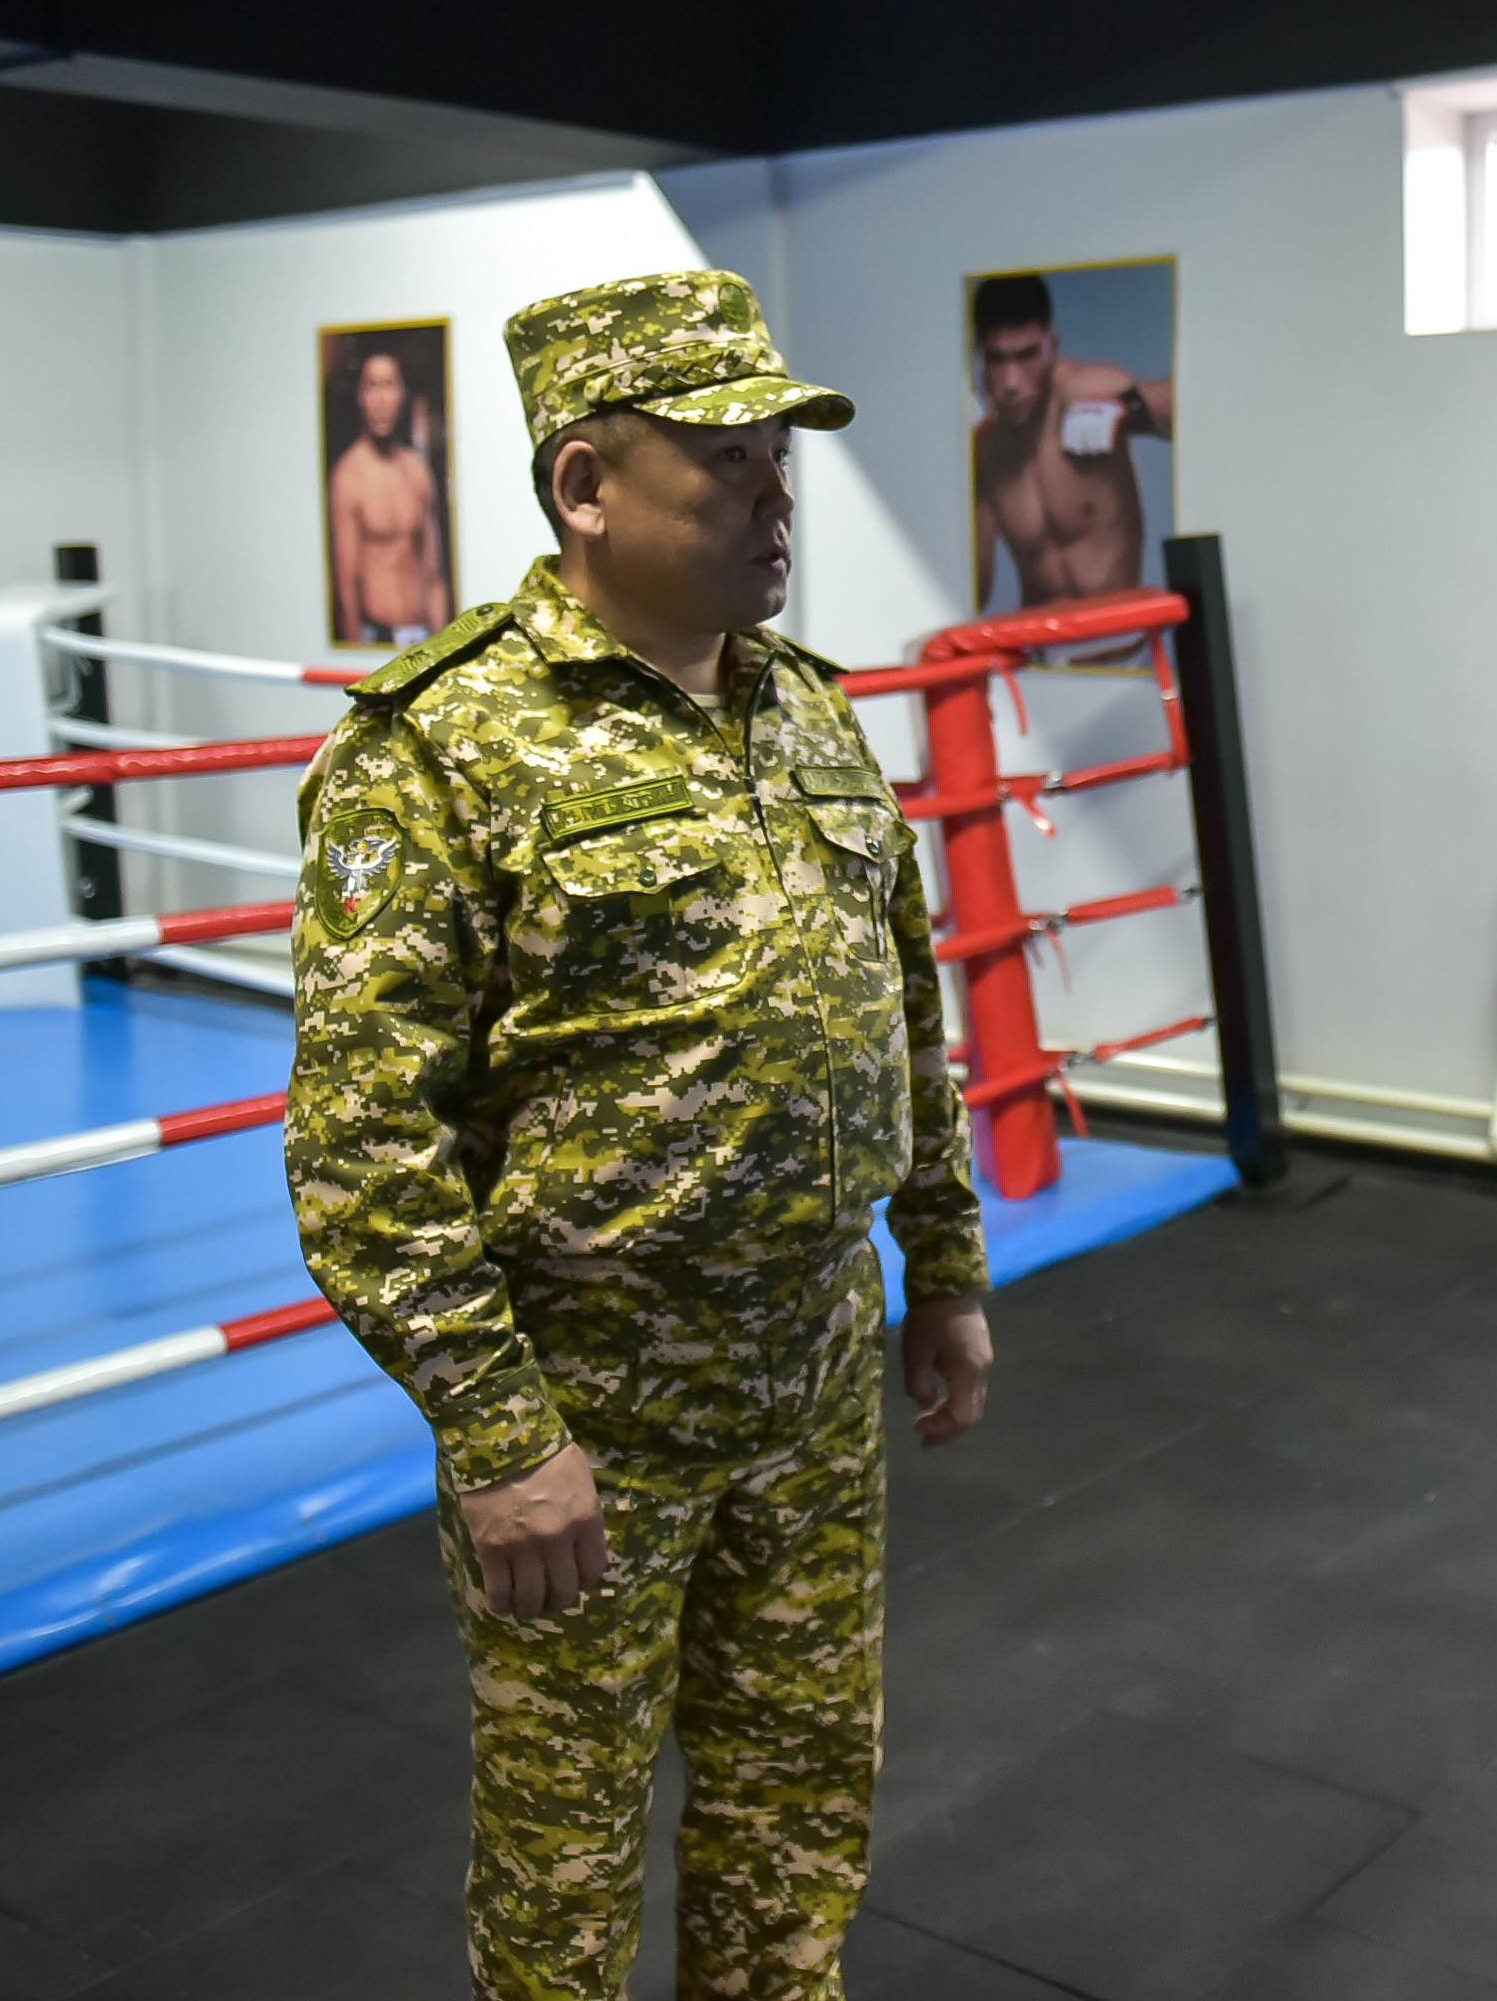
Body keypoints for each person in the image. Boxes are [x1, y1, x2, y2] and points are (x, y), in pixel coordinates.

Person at [287, 268, 996, 2001]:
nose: (776, 500)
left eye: (780, 458)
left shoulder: (809, 710)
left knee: (796, 1814)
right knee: (567, 1865)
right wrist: (497, 1433)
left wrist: (947, 1263)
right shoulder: (439, 750)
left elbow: (903, 1012)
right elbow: (364, 1141)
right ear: (585, 485)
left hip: (814, 1383)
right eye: (726, 461)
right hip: (591, 1421)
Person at [969, 271, 1172, 609]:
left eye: (1026, 355)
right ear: (978, 356)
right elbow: (978, 591)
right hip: (1038, 639)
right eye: (996, 359)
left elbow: (1188, 402)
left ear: (1052, 345)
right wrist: (952, 462)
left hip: (1117, 636)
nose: (1012, 383)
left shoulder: (1085, 391)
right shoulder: (986, 450)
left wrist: (1126, 408)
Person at [328, 347, 453, 645]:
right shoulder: (348, 475)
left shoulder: (418, 471)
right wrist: (356, 654)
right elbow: (345, 586)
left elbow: (434, 575)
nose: (381, 399)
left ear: (403, 393)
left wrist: (443, 647)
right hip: (377, 638)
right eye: (372, 386)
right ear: (360, 396)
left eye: (389, 385)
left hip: (421, 636)